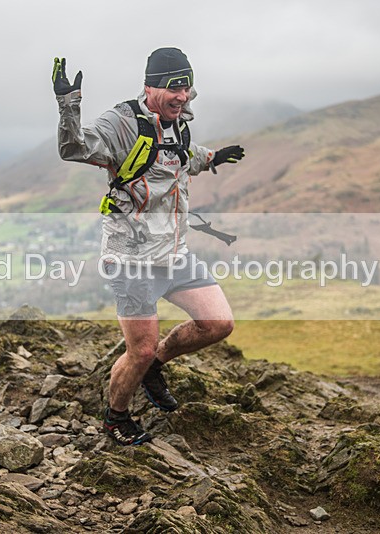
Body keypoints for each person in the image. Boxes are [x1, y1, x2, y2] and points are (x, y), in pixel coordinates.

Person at [52, 47, 244, 445]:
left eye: (187, 87)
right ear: (151, 86)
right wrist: (68, 105)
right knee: (138, 350)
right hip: (131, 258)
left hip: (173, 253)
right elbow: (75, 148)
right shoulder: (123, 122)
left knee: (218, 324)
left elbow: (180, 157)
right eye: (174, 87)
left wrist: (213, 158)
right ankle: (115, 417)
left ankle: (156, 364)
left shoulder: (180, 121)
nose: (182, 96)